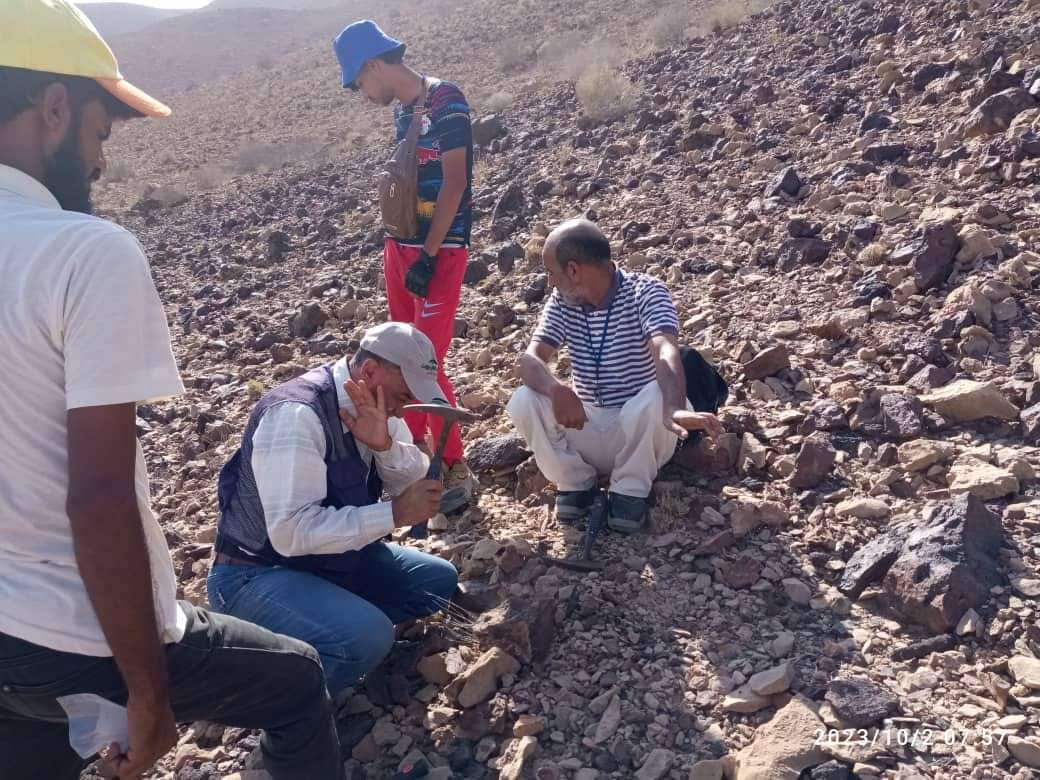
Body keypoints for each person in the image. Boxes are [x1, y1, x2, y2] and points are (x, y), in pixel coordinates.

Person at [0, 3, 342, 779]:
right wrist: (148, 691)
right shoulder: (84, 252)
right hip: (70, 636)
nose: (100, 162)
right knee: (295, 683)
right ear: (53, 107)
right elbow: (98, 496)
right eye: (100, 132)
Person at [208, 323, 460, 697]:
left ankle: (325, 633)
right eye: (403, 395)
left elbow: (411, 480)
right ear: (370, 371)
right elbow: (291, 532)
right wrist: (393, 514)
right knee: (369, 636)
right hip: (255, 573)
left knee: (435, 581)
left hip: (325, 562)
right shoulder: (297, 415)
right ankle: (263, 701)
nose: (403, 408)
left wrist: (384, 446)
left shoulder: (379, 405)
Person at [507, 218, 723, 534]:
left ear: (573, 270)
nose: (550, 282)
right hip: (586, 423)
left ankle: (629, 490)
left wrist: (674, 406)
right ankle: (576, 483)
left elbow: (665, 349)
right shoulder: (562, 302)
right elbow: (529, 360)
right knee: (525, 398)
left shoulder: (645, 291)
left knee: (654, 396)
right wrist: (555, 390)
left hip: (636, 430)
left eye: (552, 272)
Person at [333, 20, 475, 490]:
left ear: (374, 64)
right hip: (401, 247)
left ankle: (452, 467)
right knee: (399, 360)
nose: (362, 93)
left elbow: (456, 183)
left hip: (439, 252)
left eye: (359, 82)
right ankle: (411, 461)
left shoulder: (447, 100)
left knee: (426, 363)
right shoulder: (404, 111)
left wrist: (429, 256)